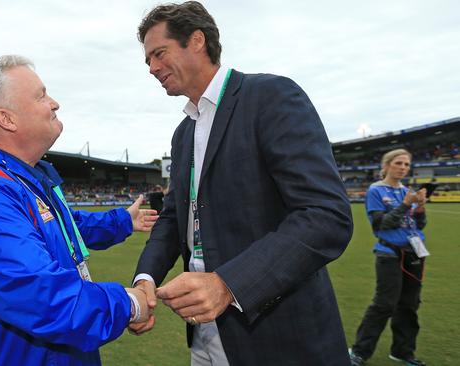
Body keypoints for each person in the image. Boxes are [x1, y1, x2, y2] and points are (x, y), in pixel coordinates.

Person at [129, 2, 353, 365]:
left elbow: (325, 216)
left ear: (197, 40)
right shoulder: (183, 133)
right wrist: (145, 280)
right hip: (205, 337)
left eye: (159, 53)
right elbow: (173, 218)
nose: (152, 68)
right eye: (148, 61)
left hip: (277, 335)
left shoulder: (270, 97)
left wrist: (227, 284)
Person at [0, 55, 159, 365]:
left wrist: (122, 220)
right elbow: (39, 295)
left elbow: (59, 227)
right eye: (41, 95)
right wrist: (127, 303)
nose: (54, 103)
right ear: (7, 119)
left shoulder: (24, 175)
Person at [349, 149, 428, 366]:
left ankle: (403, 352)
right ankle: (359, 352)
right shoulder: (376, 191)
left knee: (409, 305)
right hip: (389, 253)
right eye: (398, 163)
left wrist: (420, 207)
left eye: (406, 164)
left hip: (415, 253)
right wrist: (405, 205)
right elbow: (381, 224)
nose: (403, 167)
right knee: (384, 304)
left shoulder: (408, 191)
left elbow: (418, 225)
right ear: (386, 166)